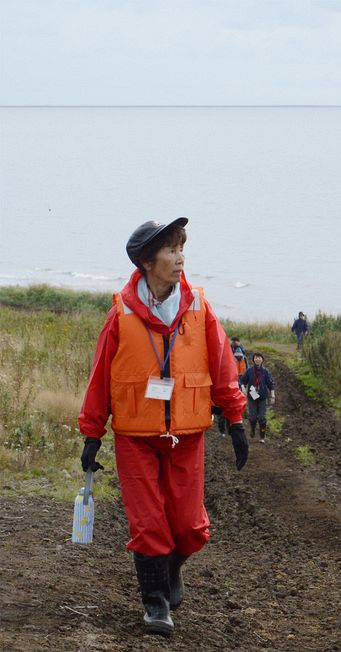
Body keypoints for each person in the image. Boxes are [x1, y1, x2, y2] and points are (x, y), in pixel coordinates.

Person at [78, 217, 248, 636]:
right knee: (149, 523)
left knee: (191, 528)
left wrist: (236, 416)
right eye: (171, 250)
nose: (180, 258)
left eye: (181, 248)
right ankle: (155, 603)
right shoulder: (120, 313)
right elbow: (101, 376)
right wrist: (92, 433)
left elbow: (223, 363)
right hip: (136, 438)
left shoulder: (198, 306)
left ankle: (171, 567)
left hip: (186, 437)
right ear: (147, 261)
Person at [240, 352, 275, 443]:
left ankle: (262, 436)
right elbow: (242, 381)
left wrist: (272, 396)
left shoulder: (265, 371)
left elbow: (271, 384)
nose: (257, 359)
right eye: (256, 358)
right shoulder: (249, 371)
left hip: (263, 398)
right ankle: (252, 429)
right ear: (253, 360)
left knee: (262, 418)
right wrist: (243, 387)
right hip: (252, 397)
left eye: (259, 358)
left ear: (262, 360)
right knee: (252, 418)